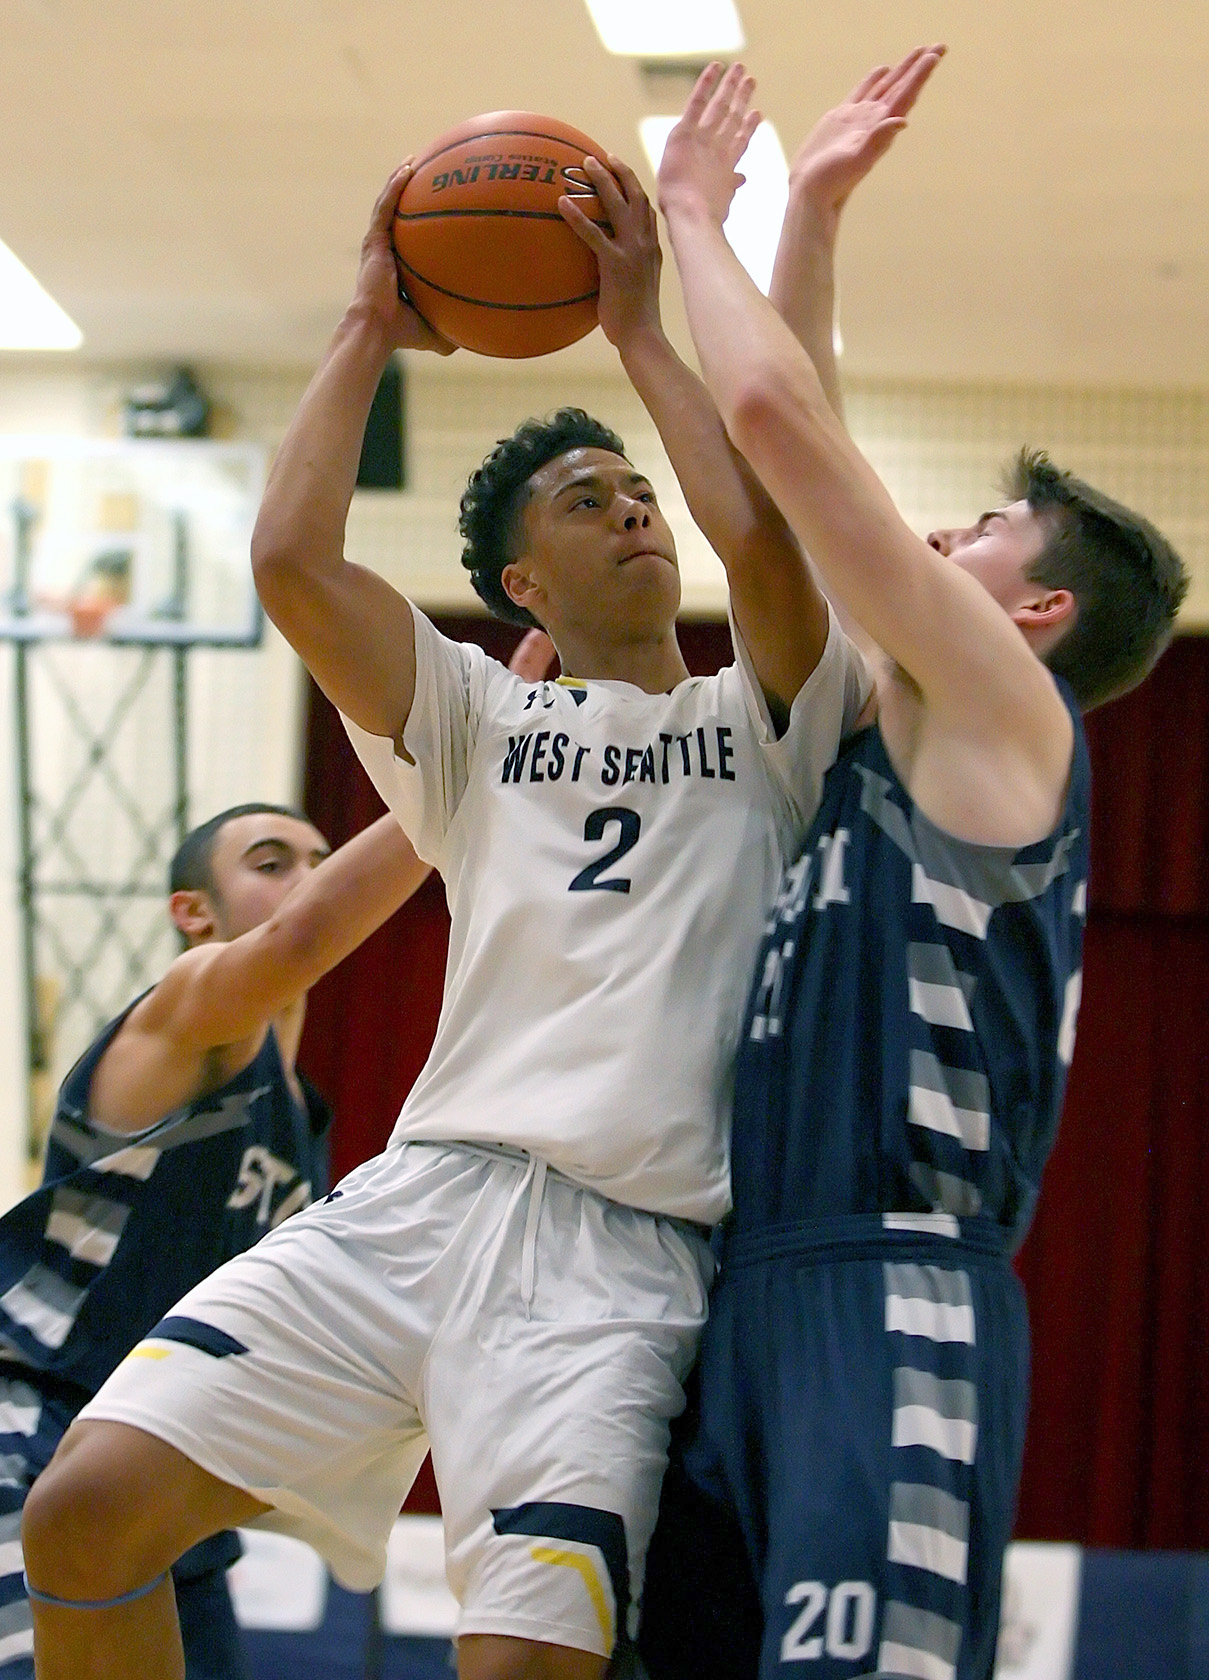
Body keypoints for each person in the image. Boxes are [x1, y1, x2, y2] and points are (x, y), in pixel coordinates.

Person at [20, 151, 871, 1680]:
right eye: (583, 501)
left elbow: (766, 540)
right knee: (80, 1518)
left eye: (636, 493)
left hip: (624, 1258)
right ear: (514, 582)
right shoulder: (476, 722)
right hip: (424, 1203)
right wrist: (364, 323)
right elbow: (289, 561)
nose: (631, 513)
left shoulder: (776, 720)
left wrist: (637, 328)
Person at [638, 51, 1190, 1680]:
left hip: (897, 1299)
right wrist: (804, 215)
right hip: (748, 1288)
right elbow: (803, 456)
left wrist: (692, 207)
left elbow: (765, 419)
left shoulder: (1006, 723)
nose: (939, 535)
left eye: (984, 531)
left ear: (1036, 616)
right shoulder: (880, 739)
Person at [0, 798, 434, 1680]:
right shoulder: (186, 1005)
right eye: (272, 863)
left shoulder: (299, 1119)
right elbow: (296, 945)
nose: (309, 879)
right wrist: (463, 772)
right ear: (192, 912)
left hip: (159, 1481)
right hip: (33, 1438)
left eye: (320, 858)